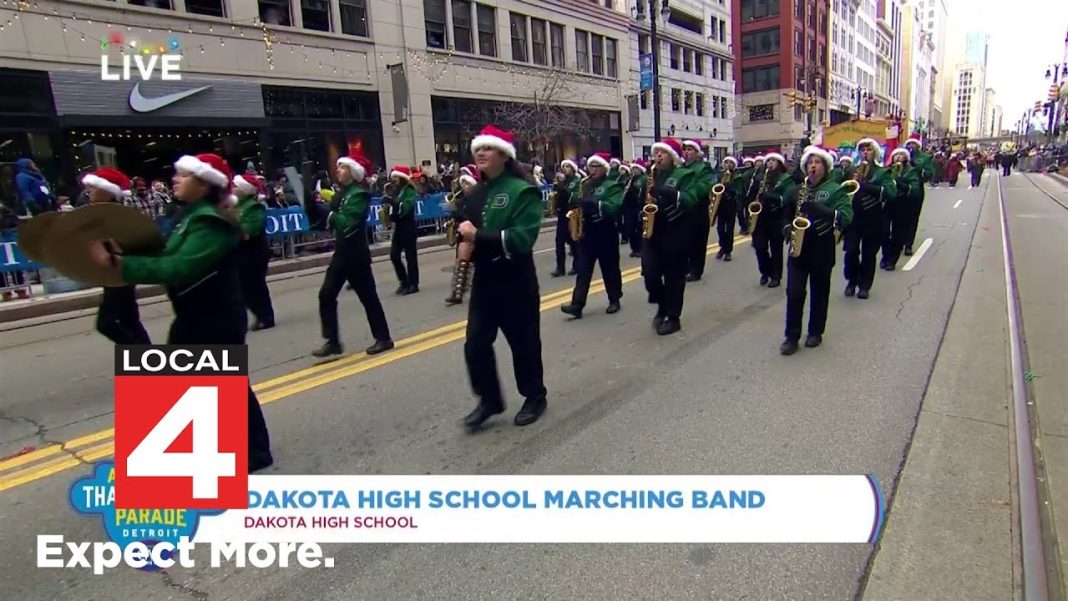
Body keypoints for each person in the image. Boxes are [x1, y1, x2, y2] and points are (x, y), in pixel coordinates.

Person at [86, 153, 273, 472]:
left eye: (184, 175)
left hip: (215, 316)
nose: (175, 179)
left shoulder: (210, 222)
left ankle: (253, 452)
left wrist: (120, 264)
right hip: (195, 314)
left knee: (224, 385)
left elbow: (180, 266)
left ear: (204, 184)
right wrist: (126, 253)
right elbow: (167, 253)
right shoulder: (189, 216)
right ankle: (223, 449)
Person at [456, 125, 548, 430]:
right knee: (475, 344)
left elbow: (522, 239)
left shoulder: (523, 191)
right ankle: (490, 399)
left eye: (487, 148)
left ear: (504, 155)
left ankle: (535, 396)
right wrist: (462, 241)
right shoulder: (477, 193)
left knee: (524, 343)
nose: (480, 153)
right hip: (485, 280)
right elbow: (469, 228)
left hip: (515, 279)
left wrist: (476, 236)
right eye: (477, 149)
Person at [311, 155, 394, 358]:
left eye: (342, 167)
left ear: (352, 171)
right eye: (337, 167)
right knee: (326, 294)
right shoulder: (342, 193)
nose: (337, 170)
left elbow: (347, 222)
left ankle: (383, 338)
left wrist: (328, 214)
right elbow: (328, 217)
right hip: (342, 253)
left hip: (356, 255)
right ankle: (332, 341)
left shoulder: (358, 194)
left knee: (368, 298)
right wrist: (313, 208)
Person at [780, 146, 854, 355]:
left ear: (825, 166)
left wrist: (822, 211)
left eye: (817, 162)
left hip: (822, 247)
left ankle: (815, 332)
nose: (813, 166)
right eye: (810, 162)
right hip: (798, 248)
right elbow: (784, 215)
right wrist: (787, 228)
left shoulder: (835, 189)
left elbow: (846, 216)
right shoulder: (796, 190)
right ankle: (791, 336)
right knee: (794, 292)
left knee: (819, 292)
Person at [82, 167, 152, 346]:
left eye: (93, 188)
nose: (89, 192)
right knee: (129, 321)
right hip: (114, 275)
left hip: (120, 273)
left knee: (107, 323)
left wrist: (110, 249)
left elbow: (128, 244)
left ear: (107, 191)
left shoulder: (118, 215)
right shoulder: (101, 214)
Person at [641, 138, 700, 336]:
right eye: (656, 153)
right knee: (649, 274)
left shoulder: (685, 175)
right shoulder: (652, 175)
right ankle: (662, 304)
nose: (658, 156)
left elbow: (690, 199)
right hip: (653, 232)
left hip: (676, 232)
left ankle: (673, 318)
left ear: (673, 157)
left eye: (663, 152)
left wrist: (667, 193)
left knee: (674, 276)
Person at [560, 152, 625, 318]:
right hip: (587, 232)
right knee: (583, 269)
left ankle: (614, 299)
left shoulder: (612, 185)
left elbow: (615, 207)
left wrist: (595, 204)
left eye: (597, 166)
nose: (593, 170)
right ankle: (577, 304)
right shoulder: (585, 184)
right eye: (591, 166)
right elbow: (575, 201)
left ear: (604, 168)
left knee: (609, 268)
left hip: (605, 231)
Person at [842, 138, 896, 299]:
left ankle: (864, 285)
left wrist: (867, 186)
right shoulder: (852, 171)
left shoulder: (882, 172)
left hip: (873, 219)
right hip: (853, 219)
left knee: (869, 255)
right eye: (863, 150)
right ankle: (851, 281)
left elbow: (891, 193)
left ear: (875, 152)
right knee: (850, 252)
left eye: (869, 149)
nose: (865, 152)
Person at [231, 173, 275, 331]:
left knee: (256, 286)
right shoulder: (236, 206)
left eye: (236, 186)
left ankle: (266, 317)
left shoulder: (253, 207)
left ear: (244, 189)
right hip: (242, 253)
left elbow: (250, 230)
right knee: (243, 287)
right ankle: (258, 315)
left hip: (255, 253)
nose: (232, 189)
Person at [750, 151, 792, 288]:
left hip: (776, 216)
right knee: (759, 246)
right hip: (761, 216)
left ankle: (776, 276)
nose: (770, 163)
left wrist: (772, 196)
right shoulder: (761, 177)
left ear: (779, 163)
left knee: (776, 248)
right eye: (768, 161)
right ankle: (765, 271)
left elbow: (788, 199)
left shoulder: (786, 179)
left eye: (773, 160)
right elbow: (751, 196)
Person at [880, 147, 922, 271]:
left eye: (901, 154)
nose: (898, 156)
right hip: (887, 204)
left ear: (906, 158)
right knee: (883, 232)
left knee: (898, 234)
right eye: (896, 154)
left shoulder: (910, 171)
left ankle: (892, 260)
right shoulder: (886, 170)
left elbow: (914, 188)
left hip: (902, 204)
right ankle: (885, 256)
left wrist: (899, 183)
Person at [680, 140, 716, 281]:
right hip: (682, 208)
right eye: (685, 149)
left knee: (698, 241)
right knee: (684, 240)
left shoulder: (703, 168)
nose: (686, 152)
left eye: (690, 149)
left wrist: (687, 194)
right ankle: (685, 267)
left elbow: (704, 187)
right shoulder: (679, 168)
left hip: (697, 208)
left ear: (697, 153)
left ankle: (696, 270)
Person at [382, 165, 420, 295]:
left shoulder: (409, 191)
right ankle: (404, 281)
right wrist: (387, 213)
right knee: (394, 255)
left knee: (410, 256)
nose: (393, 181)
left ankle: (413, 284)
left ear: (402, 178)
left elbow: (405, 207)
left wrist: (393, 203)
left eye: (395, 178)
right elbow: (393, 209)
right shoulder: (396, 191)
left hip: (408, 226)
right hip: (399, 227)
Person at [444, 169, 480, 306]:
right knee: (461, 264)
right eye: (463, 183)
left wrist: (459, 216)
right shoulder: (461, 201)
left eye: (467, 183)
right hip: (463, 235)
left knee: (480, 266)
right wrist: (453, 213)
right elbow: (459, 216)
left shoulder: (478, 200)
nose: (464, 186)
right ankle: (457, 293)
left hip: (475, 235)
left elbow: (473, 217)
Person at [899, 136, 933, 256]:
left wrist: (918, 169)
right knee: (900, 218)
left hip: (916, 190)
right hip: (901, 190)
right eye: (909, 144)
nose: (911, 146)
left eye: (913, 144)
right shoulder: (901, 154)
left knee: (912, 218)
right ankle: (899, 241)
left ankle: (908, 244)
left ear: (918, 145)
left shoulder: (925, 157)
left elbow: (929, 174)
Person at [550, 159, 580, 277]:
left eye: (567, 166)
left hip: (572, 213)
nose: (565, 169)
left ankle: (577, 265)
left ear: (573, 169)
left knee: (573, 240)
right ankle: (560, 268)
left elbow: (572, 196)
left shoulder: (577, 181)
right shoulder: (562, 181)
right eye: (564, 166)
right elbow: (559, 195)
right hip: (562, 213)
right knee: (559, 241)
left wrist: (561, 186)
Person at [715, 156, 742, 261]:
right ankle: (722, 246)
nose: (728, 164)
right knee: (720, 229)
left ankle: (728, 251)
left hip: (731, 205)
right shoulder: (720, 175)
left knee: (729, 229)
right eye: (726, 162)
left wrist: (728, 187)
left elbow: (739, 190)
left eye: (731, 163)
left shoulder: (737, 176)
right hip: (720, 205)